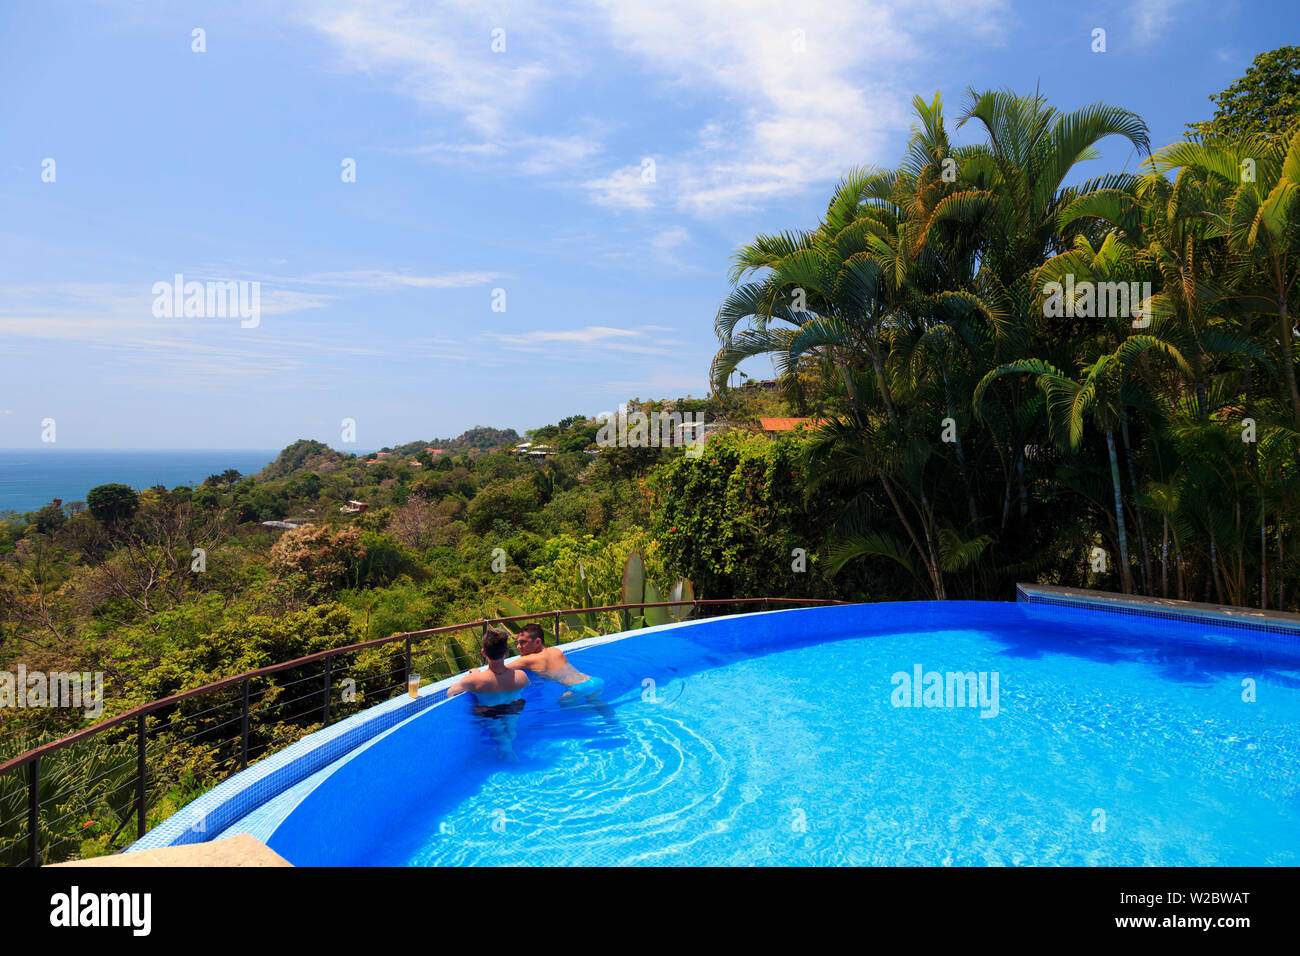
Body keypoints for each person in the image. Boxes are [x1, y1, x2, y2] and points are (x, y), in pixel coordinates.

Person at [447, 627, 530, 760]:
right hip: (515, 708)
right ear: (507, 651)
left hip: (491, 713)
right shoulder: (521, 677)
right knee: (510, 730)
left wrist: (475, 675)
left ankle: (507, 753)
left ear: (483, 653)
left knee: (496, 730)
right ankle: (509, 747)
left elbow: (450, 693)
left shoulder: (476, 680)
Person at [508, 623, 612, 719]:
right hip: (594, 681)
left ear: (538, 642)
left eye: (522, 643)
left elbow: (500, 668)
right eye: (518, 643)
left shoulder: (527, 660)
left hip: (578, 688)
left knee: (563, 702)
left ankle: (594, 716)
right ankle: (611, 718)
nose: (518, 647)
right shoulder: (555, 651)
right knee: (595, 700)